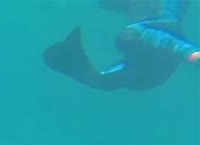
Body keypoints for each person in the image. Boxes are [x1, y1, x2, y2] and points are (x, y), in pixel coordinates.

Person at [44, 0, 200, 90]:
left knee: (130, 36)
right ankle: (77, 66)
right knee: (109, 77)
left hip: (156, 61)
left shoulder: (142, 29)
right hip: (150, 73)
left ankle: (192, 54)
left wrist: (191, 54)